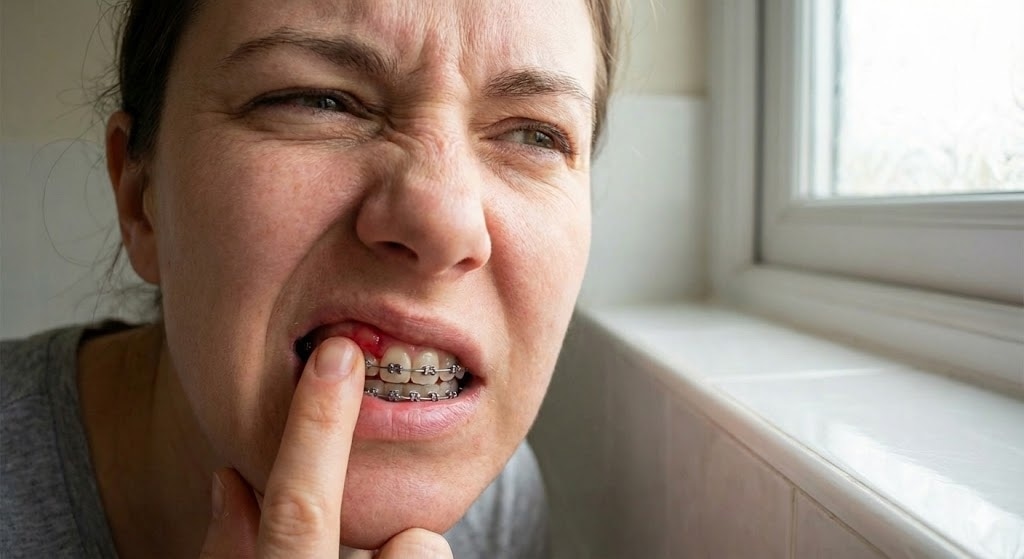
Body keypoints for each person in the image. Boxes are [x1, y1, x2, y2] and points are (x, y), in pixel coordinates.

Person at [1, 0, 617, 556]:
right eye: (318, 100)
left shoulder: (500, 509)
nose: (443, 223)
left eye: (535, 135)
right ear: (141, 200)